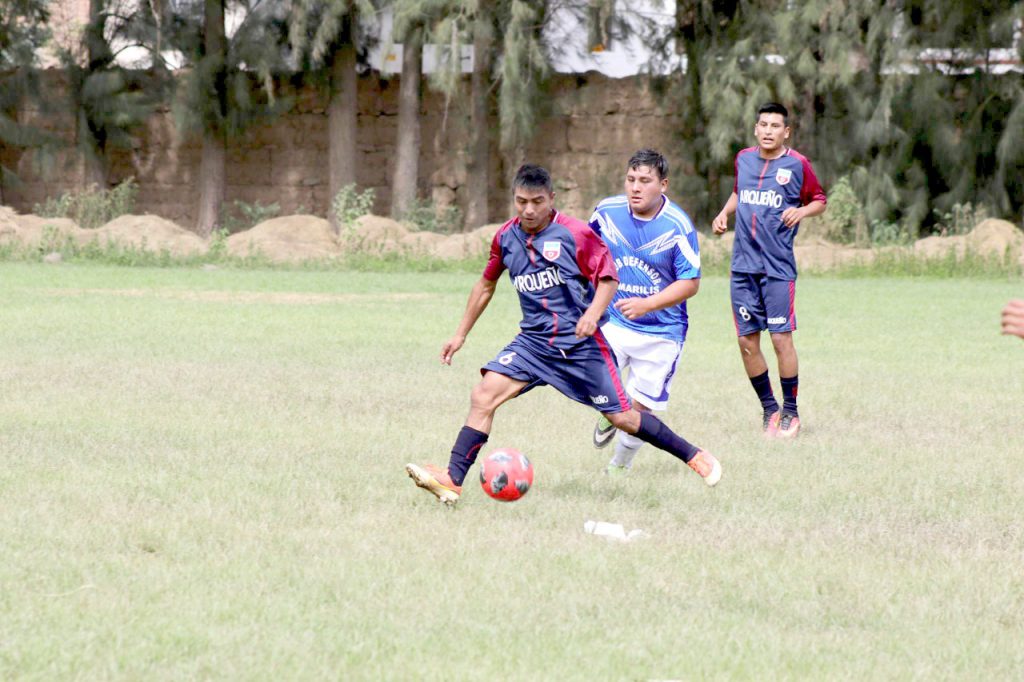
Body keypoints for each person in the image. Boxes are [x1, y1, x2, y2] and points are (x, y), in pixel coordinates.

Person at [406, 164, 721, 506]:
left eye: (537, 202)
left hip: (581, 346)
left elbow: (608, 279)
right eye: (521, 201)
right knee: (483, 396)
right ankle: (452, 480)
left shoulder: (575, 234)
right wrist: (460, 334)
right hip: (533, 345)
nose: (528, 210)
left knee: (623, 417)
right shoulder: (506, 237)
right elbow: (485, 284)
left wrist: (592, 315)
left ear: (551, 199)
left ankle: (693, 455)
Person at [712, 102, 827, 439]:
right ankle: (769, 409)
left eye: (775, 126)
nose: (768, 131)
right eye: (763, 124)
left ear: (785, 132)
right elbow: (740, 192)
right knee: (746, 341)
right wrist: (724, 213)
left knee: (780, 339)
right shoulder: (743, 159)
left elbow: (819, 200)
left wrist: (802, 212)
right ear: (755, 128)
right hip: (742, 267)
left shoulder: (797, 164)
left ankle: (791, 411)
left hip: (777, 268)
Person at [587, 149, 702, 475]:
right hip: (614, 322)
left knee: (641, 410)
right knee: (599, 386)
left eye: (645, 181)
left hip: (662, 333)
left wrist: (647, 304)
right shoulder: (606, 212)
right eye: (631, 179)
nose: (635, 187)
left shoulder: (677, 225)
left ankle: (619, 467)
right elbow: (585, 248)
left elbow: (691, 283)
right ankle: (610, 411)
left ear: (663, 185)